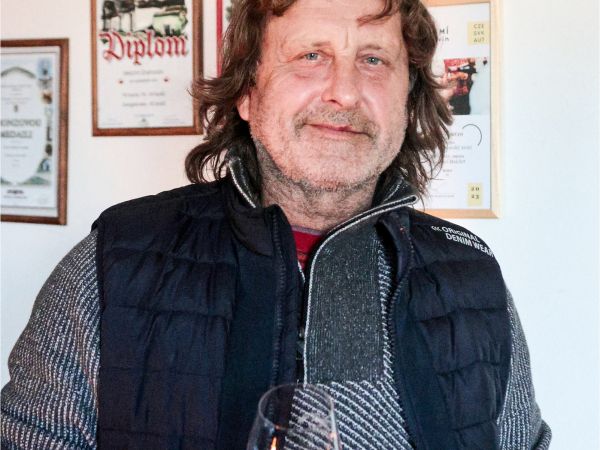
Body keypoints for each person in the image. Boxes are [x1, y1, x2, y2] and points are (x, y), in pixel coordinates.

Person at [1, 0, 551, 449]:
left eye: (373, 59)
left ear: (407, 100)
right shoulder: (111, 264)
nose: (344, 91)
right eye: (311, 55)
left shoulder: (473, 279)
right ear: (247, 92)